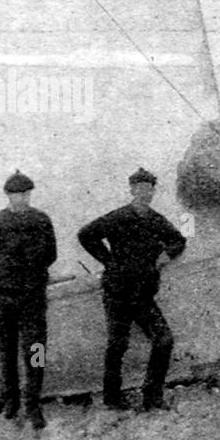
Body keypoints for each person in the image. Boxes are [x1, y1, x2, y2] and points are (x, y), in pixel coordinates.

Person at [77, 168, 186, 411]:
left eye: (149, 188)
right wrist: (108, 261)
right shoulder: (119, 217)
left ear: (153, 191)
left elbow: (179, 239)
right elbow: (86, 234)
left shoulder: (155, 219)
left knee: (164, 340)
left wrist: (166, 255)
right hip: (118, 292)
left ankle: (152, 396)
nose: (145, 193)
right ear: (132, 190)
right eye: (140, 188)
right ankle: (112, 398)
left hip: (143, 295)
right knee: (118, 344)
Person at [0, 170, 57, 431]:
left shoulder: (41, 220)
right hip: (7, 297)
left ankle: (33, 403)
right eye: (16, 195)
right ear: (8, 196)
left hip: (33, 296)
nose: (21, 199)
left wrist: (31, 276)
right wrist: (8, 275)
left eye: (25, 194)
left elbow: (50, 254)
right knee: (8, 350)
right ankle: (11, 401)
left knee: (36, 350)